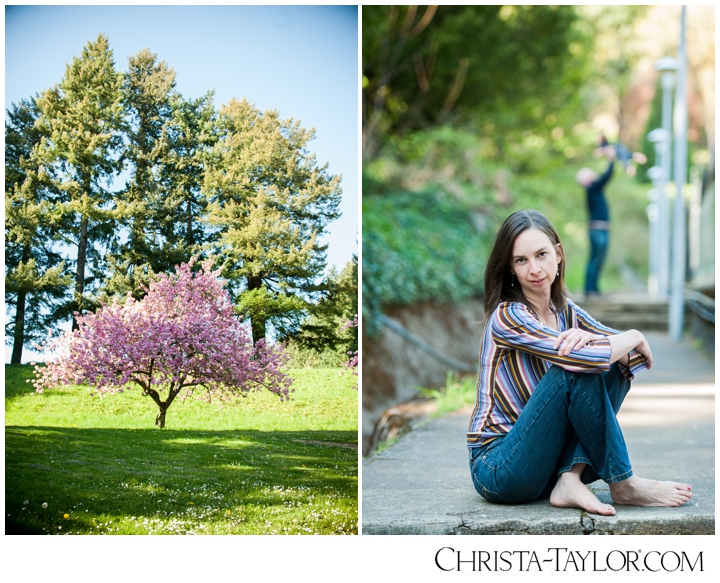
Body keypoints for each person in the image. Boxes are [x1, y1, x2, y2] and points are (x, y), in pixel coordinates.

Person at [467, 209, 692, 516]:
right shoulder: (508, 315)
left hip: (547, 461)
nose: (534, 268)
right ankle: (623, 483)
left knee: (610, 365)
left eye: (542, 254)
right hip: (499, 467)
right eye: (521, 260)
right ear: (511, 268)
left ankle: (570, 479)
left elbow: (635, 359)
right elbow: (588, 358)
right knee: (575, 366)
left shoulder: (566, 311)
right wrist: (630, 336)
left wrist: (621, 341)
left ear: (558, 255)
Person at [576, 148, 616, 298]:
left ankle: (593, 289)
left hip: (600, 230)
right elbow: (606, 176)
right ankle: (590, 289)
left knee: (597, 260)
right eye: (590, 174)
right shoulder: (592, 188)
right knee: (595, 260)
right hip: (598, 231)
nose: (593, 174)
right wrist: (611, 160)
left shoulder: (594, 190)